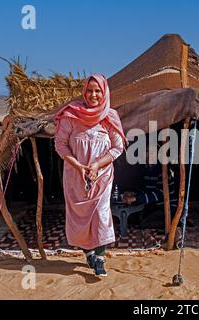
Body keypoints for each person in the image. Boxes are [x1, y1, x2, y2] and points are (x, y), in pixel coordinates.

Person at [54, 74, 126, 277]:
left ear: (104, 92)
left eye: (97, 91)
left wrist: (96, 164)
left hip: (101, 176)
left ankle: (101, 258)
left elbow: (117, 147)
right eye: (89, 90)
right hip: (75, 176)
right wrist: (78, 166)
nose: (93, 95)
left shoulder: (109, 116)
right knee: (80, 217)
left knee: (101, 214)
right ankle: (89, 254)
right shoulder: (71, 115)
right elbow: (60, 144)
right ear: (84, 92)